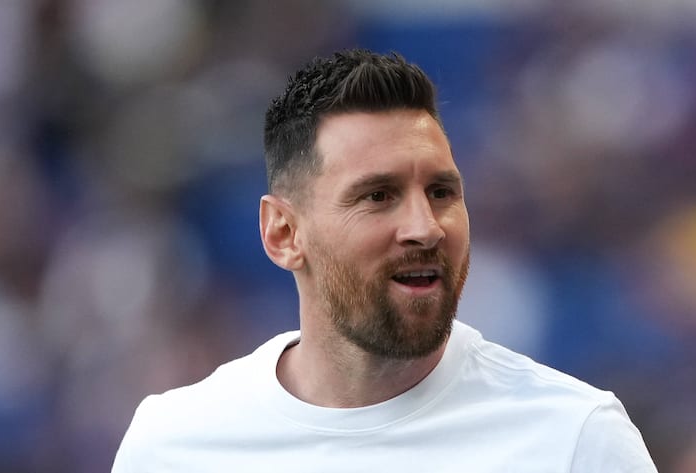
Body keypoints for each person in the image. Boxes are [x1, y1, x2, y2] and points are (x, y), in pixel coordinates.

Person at [112, 49, 658, 472]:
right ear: (283, 233)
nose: (425, 227)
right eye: (378, 196)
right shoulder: (173, 445)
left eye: (442, 192)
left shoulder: (574, 439)